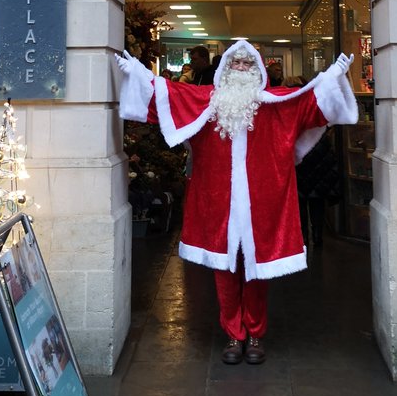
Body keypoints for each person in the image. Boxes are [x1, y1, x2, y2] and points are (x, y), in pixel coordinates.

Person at [117, 39, 356, 365]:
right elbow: (166, 94)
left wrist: (332, 77)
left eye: (247, 64)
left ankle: (255, 333)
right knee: (225, 271)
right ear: (225, 70)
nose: (241, 69)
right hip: (219, 203)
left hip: (263, 204)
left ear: (258, 71)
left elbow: (309, 102)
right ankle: (234, 333)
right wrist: (138, 72)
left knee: (257, 273)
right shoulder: (206, 102)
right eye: (235, 64)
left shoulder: (275, 104)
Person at [295, 131, 342, 248]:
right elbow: (329, 159)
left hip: (300, 175)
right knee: (317, 206)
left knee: (301, 207)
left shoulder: (297, 136)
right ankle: (317, 237)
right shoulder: (322, 136)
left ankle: (303, 238)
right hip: (318, 178)